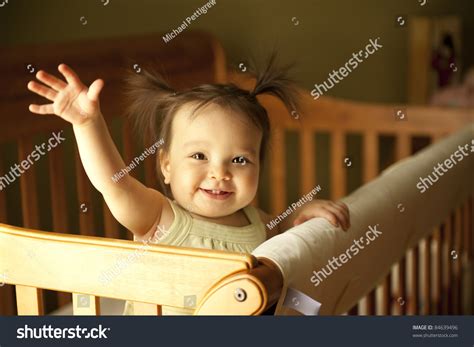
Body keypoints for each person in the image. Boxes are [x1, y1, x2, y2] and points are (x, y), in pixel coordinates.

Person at [27, 54, 350, 314]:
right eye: (199, 155)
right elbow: (115, 184)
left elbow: (284, 263)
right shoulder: (160, 218)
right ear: (166, 165)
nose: (219, 173)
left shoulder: (259, 223)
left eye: (239, 160)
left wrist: (301, 217)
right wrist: (87, 124)